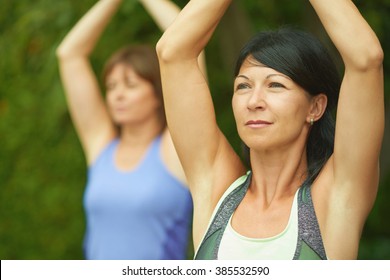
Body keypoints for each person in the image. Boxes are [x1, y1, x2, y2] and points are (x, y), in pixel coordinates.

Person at [156, 0, 384, 260]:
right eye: (243, 86)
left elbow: (365, 58)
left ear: (315, 107)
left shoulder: (335, 199)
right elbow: (172, 52)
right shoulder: (217, 190)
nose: (254, 102)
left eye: (275, 85)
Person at [56, 0, 206, 260]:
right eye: (112, 86)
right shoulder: (101, 145)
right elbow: (69, 55)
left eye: (130, 84)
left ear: (158, 93)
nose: (118, 95)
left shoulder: (173, 149)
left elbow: (190, 43)